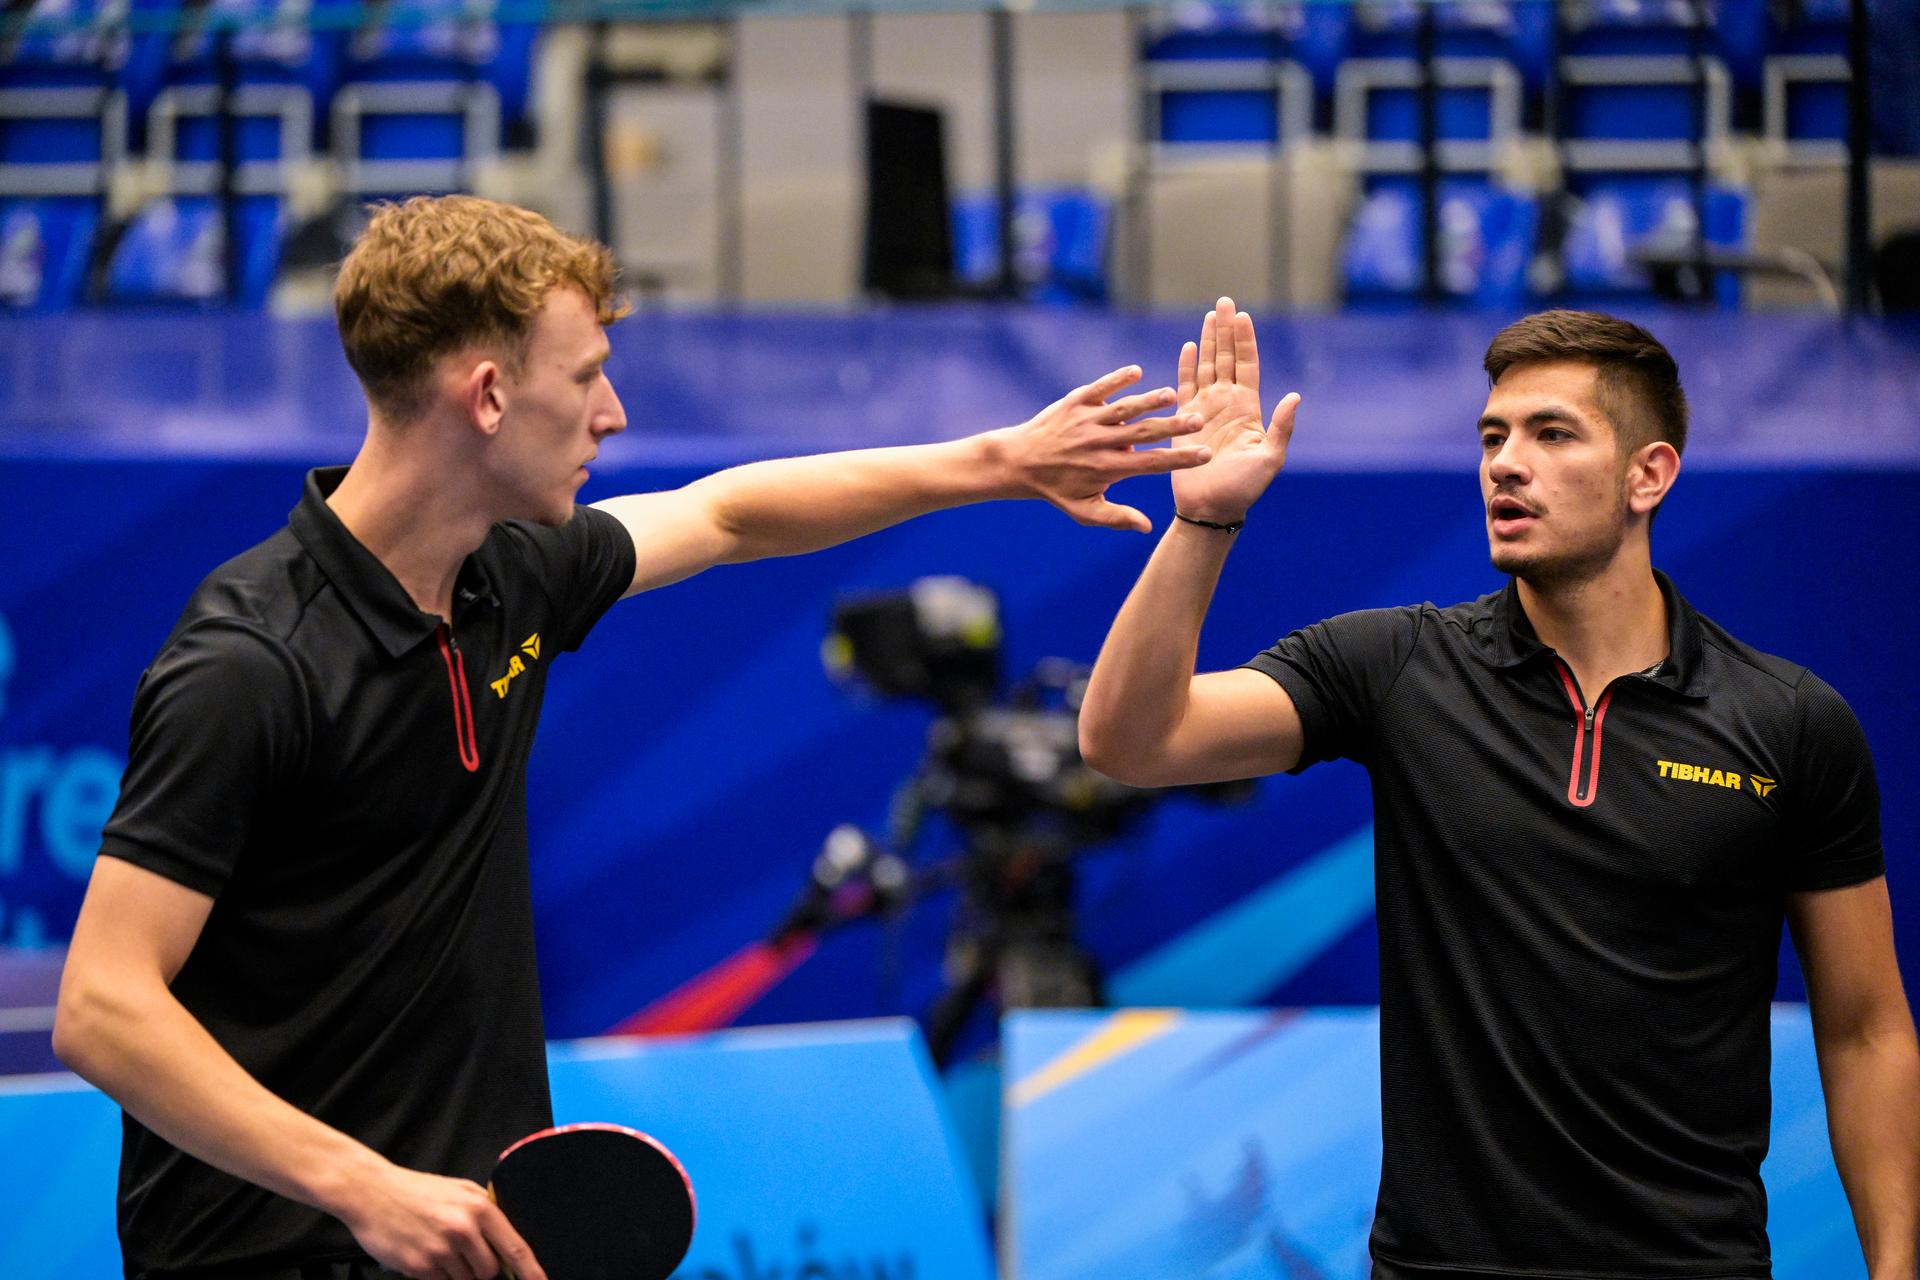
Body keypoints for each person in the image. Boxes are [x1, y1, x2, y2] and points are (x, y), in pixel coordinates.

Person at [50, 194, 1213, 1280]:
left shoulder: (510, 578)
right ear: (490, 395)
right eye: (590, 375)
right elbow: (103, 1006)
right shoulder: (254, 661)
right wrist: (363, 1183)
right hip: (270, 1248)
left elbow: (729, 512)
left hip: (470, 1240)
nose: (613, 413)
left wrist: (1000, 462)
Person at [1079, 300, 1920, 1280]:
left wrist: (1894, 1268)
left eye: (1551, 432)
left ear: (1649, 474)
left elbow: (1865, 1027)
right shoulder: (1394, 665)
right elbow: (1131, 740)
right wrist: (1204, 516)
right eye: (1493, 435)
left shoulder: (1789, 720)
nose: (1504, 462)